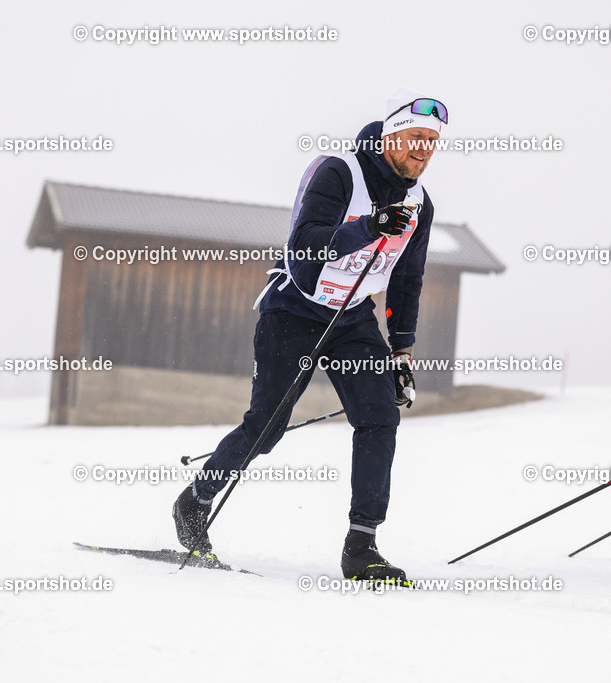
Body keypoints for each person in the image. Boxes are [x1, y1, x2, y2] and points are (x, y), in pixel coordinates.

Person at [172, 86, 447, 583]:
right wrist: (368, 226)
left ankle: (361, 546)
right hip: (293, 309)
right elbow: (304, 247)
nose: (423, 148)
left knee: (380, 417)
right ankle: (196, 499)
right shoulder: (339, 172)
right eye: (415, 136)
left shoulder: (420, 202)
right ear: (390, 135)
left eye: (432, 140)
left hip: (352, 318)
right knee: (267, 426)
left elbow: (407, 278)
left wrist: (402, 350)